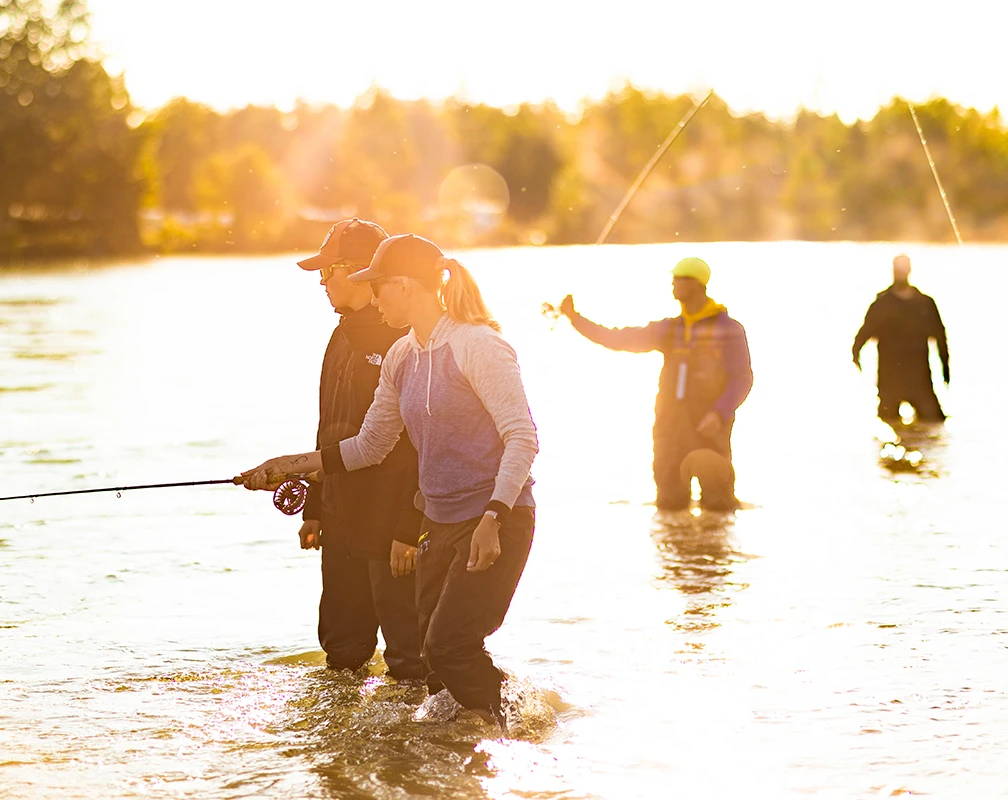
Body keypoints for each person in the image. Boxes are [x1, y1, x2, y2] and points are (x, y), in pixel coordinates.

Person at [242, 234, 538, 728]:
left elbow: (522, 438)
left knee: (449, 647)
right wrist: (289, 465)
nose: (374, 297)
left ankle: (508, 735)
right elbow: (369, 446)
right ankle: (466, 750)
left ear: (404, 286)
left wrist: (494, 516)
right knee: (433, 659)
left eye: (377, 287)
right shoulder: (403, 354)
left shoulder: (478, 345)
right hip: (438, 524)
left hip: (496, 520)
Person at [292, 218, 424, 680]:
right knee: (342, 654)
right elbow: (328, 427)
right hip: (340, 518)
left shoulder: (404, 342)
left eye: (328, 272)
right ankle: (340, 747)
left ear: (358, 271)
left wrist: (410, 527)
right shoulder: (338, 334)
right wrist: (315, 507)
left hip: (391, 529)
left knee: (410, 660)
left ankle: (415, 747)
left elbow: (423, 444)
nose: (322, 283)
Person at [558, 256, 752, 511]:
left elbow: (742, 379)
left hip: (710, 426)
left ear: (696, 284)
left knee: (719, 507)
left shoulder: (729, 329)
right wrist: (574, 317)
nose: (672, 284)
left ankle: (716, 551)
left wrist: (719, 413)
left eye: (678, 279)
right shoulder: (668, 329)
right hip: (670, 427)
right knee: (669, 504)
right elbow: (617, 339)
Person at [852, 254, 949, 424]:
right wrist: (856, 355)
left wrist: (945, 370)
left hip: (920, 379)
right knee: (886, 425)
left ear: (910, 271)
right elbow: (863, 334)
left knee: (935, 424)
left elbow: (940, 338)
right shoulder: (882, 304)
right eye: (898, 269)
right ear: (893, 271)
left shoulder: (925, 304)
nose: (901, 273)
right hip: (889, 380)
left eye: (903, 269)